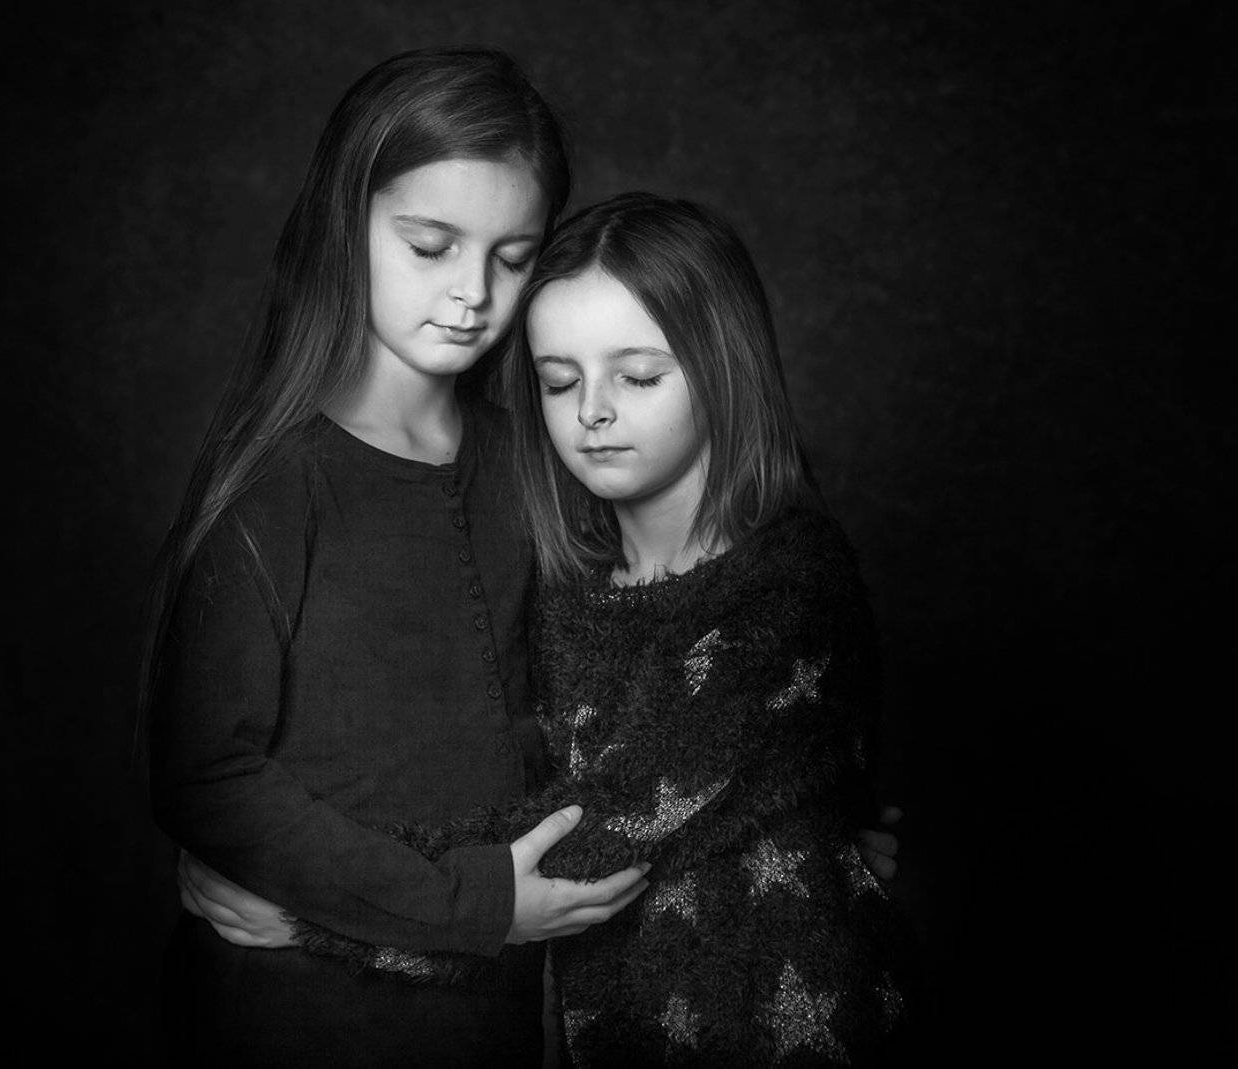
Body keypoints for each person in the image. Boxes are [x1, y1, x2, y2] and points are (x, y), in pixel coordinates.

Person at [182, 193, 912, 1065]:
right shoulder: (567, 571)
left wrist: (310, 908)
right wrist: (285, 853)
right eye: (560, 381)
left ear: (724, 368)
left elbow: (590, 842)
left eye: (638, 377)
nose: (592, 410)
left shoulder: (787, 590)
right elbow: (498, 770)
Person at [144, 47, 653, 1067]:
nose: (472, 293)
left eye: (513, 258)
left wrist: (794, 818)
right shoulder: (275, 482)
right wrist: (467, 904)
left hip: (489, 1017)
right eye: (430, 246)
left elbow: (628, 692)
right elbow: (206, 774)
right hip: (292, 1016)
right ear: (348, 224)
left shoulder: (539, 462)